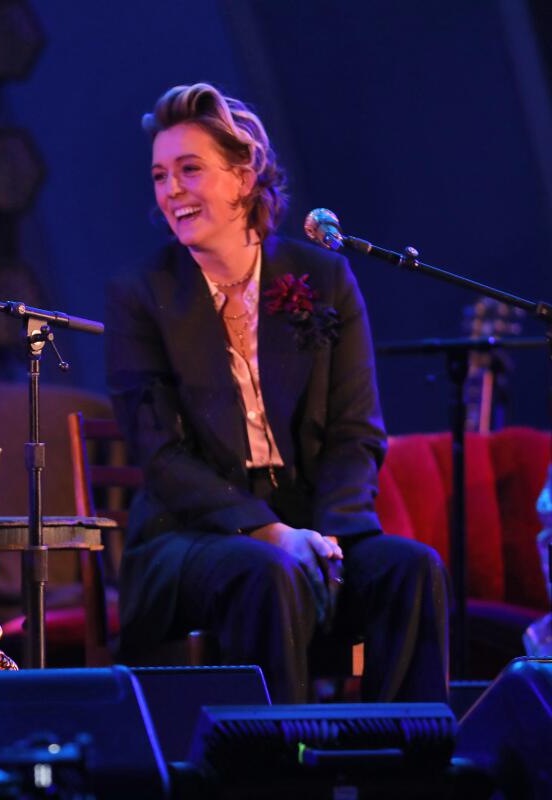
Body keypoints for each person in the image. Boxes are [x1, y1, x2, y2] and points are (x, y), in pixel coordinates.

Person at [106, 84, 448, 703]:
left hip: (319, 521)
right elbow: (161, 457)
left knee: (411, 569)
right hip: (190, 532)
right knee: (270, 570)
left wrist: (331, 534)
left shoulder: (321, 277)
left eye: (190, 170)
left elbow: (356, 430)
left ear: (244, 176)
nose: (172, 190)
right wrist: (266, 530)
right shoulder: (141, 292)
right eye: (160, 176)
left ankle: (400, 759)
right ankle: (278, 765)